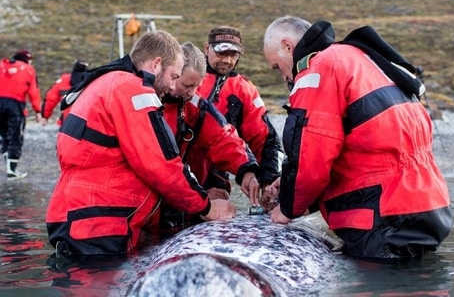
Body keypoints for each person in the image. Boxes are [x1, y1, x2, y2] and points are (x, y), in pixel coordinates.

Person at [262, 16, 452, 259]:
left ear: (287, 46)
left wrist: (287, 209)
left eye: (277, 67)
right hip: (428, 204)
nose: (285, 78)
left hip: (381, 214)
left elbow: (312, 158)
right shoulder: (363, 58)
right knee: (416, 291)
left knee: (378, 293)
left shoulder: (318, 69)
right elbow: (366, 143)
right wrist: (287, 183)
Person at [46, 30, 236, 258]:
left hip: (78, 217)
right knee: (102, 291)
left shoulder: (106, 81)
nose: (172, 87)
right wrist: (206, 207)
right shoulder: (133, 91)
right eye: (174, 77)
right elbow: (160, 164)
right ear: (156, 64)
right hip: (99, 224)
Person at [159, 42, 261, 230]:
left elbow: (223, 138)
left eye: (196, 87)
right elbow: (161, 167)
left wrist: (246, 171)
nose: (191, 92)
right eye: (187, 85)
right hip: (153, 199)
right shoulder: (147, 105)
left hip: (183, 197)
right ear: (171, 74)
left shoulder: (196, 106)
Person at [197, 26, 284, 205]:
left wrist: (269, 182)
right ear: (207, 48)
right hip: (177, 172)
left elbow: (266, 140)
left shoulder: (244, 89)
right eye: (222, 53)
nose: (227, 60)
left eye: (233, 55)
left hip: (215, 183)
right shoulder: (187, 80)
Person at [0, 49, 44, 179]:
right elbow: (34, 91)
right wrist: (38, 111)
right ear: (27, 59)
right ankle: (12, 170)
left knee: (5, 135)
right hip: (16, 105)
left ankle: (9, 166)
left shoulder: (0, 66)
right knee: (16, 136)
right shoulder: (28, 70)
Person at [41, 60, 89, 126]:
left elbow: (50, 98)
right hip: (86, 124)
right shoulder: (92, 81)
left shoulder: (63, 80)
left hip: (66, 123)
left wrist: (45, 116)